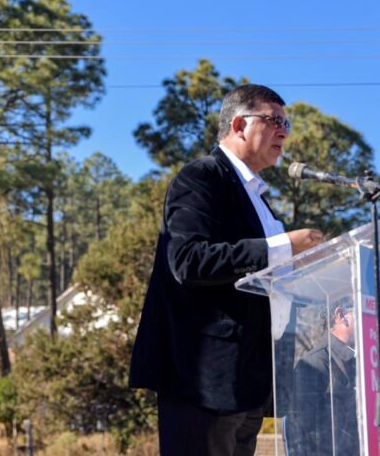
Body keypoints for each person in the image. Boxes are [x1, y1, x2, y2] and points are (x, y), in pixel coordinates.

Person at [129, 84, 324, 455]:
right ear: (239, 125)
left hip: (248, 380)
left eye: (287, 123)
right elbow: (188, 260)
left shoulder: (258, 199)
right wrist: (284, 246)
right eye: (274, 120)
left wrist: (302, 265)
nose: (284, 132)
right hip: (203, 378)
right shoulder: (201, 177)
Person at [287, 298, 358, 455]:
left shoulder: (357, 362)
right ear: (341, 315)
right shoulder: (313, 363)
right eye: (361, 311)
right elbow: (304, 433)